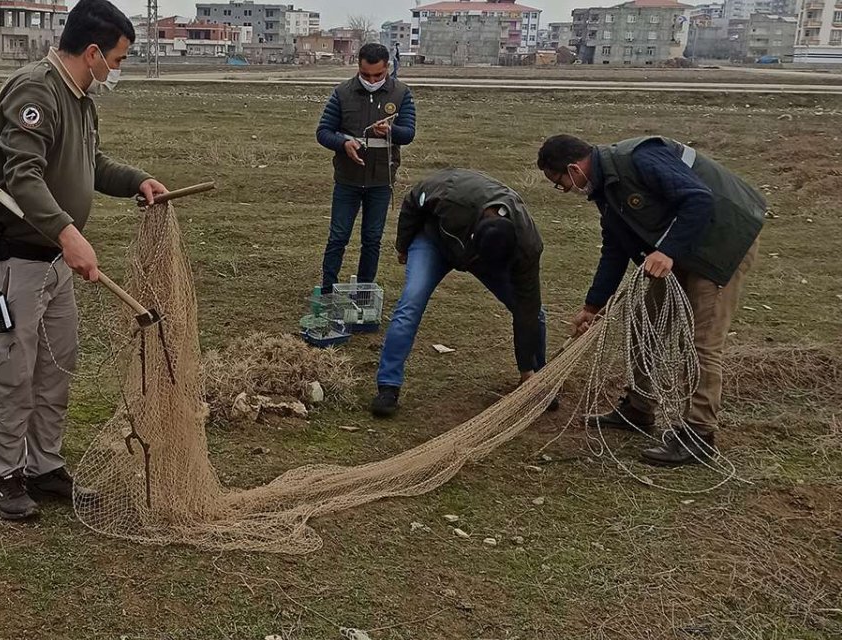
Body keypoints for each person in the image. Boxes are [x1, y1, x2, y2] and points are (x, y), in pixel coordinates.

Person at [0, 0, 168, 521]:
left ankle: (43, 464)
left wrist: (135, 180)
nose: (116, 70)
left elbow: (88, 162)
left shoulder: (80, 98)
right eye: (117, 60)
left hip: (53, 260)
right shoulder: (36, 90)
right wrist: (68, 232)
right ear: (94, 51)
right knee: (16, 369)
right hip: (14, 258)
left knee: (56, 366)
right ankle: (4, 474)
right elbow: (22, 176)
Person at [537, 134, 764, 466]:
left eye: (561, 183)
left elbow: (698, 199)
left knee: (701, 342)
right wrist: (592, 307)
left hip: (721, 244)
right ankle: (639, 409)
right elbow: (614, 249)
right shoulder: (606, 189)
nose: (567, 190)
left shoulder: (641, 158)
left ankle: (699, 436)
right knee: (645, 322)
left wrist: (667, 251)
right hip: (685, 246)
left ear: (573, 168)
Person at [372, 169, 549, 417]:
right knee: (410, 303)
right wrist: (403, 244)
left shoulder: (527, 245)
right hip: (435, 241)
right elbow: (414, 199)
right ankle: (388, 386)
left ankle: (540, 379)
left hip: (488, 256)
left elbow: (527, 310)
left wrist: (526, 372)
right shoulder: (453, 195)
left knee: (534, 313)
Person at [315, 42, 416, 293]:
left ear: (388, 68)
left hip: (381, 181)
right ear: (358, 67)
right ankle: (328, 290)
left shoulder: (401, 93)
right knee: (338, 237)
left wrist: (391, 130)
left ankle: (364, 293)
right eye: (366, 74)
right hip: (348, 180)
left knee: (372, 240)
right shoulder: (342, 92)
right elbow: (323, 132)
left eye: (378, 75)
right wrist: (343, 143)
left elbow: (409, 134)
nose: (372, 80)